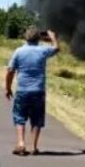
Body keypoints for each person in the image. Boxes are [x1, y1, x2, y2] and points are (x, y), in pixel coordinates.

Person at [5, 27, 59, 156]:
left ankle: (21, 143)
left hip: (22, 90)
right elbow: (56, 48)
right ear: (38, 38)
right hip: (38, 90)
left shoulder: (19, 51)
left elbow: (10, 71)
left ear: (25, 37)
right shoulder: (43, 50)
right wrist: (52, 37)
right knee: (37, 119)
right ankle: (34, 146)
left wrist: (8, 87)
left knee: (19, 117)